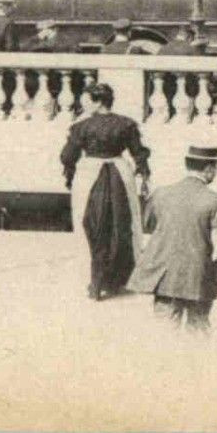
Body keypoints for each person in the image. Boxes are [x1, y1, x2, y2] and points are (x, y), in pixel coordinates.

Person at [127, 145, 217, 331]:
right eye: (214, 169)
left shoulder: (160, 194)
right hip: (198, 278)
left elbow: (147, 224)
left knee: (163, 332)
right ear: (209, 169)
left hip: (165, 277)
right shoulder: (215, 200)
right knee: (198, 332)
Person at [60, 82, 152, 300]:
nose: (83, 103)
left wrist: (70, 170)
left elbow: (67, 156)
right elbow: (139, 153)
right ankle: (118, 279)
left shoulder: (81, 127)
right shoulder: (126, 124)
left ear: (98, 101)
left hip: (91, 175)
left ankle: (95, 281)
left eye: (87, 99)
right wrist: (144, 172)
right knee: (121, 224)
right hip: (120, 175)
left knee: (92, 224)